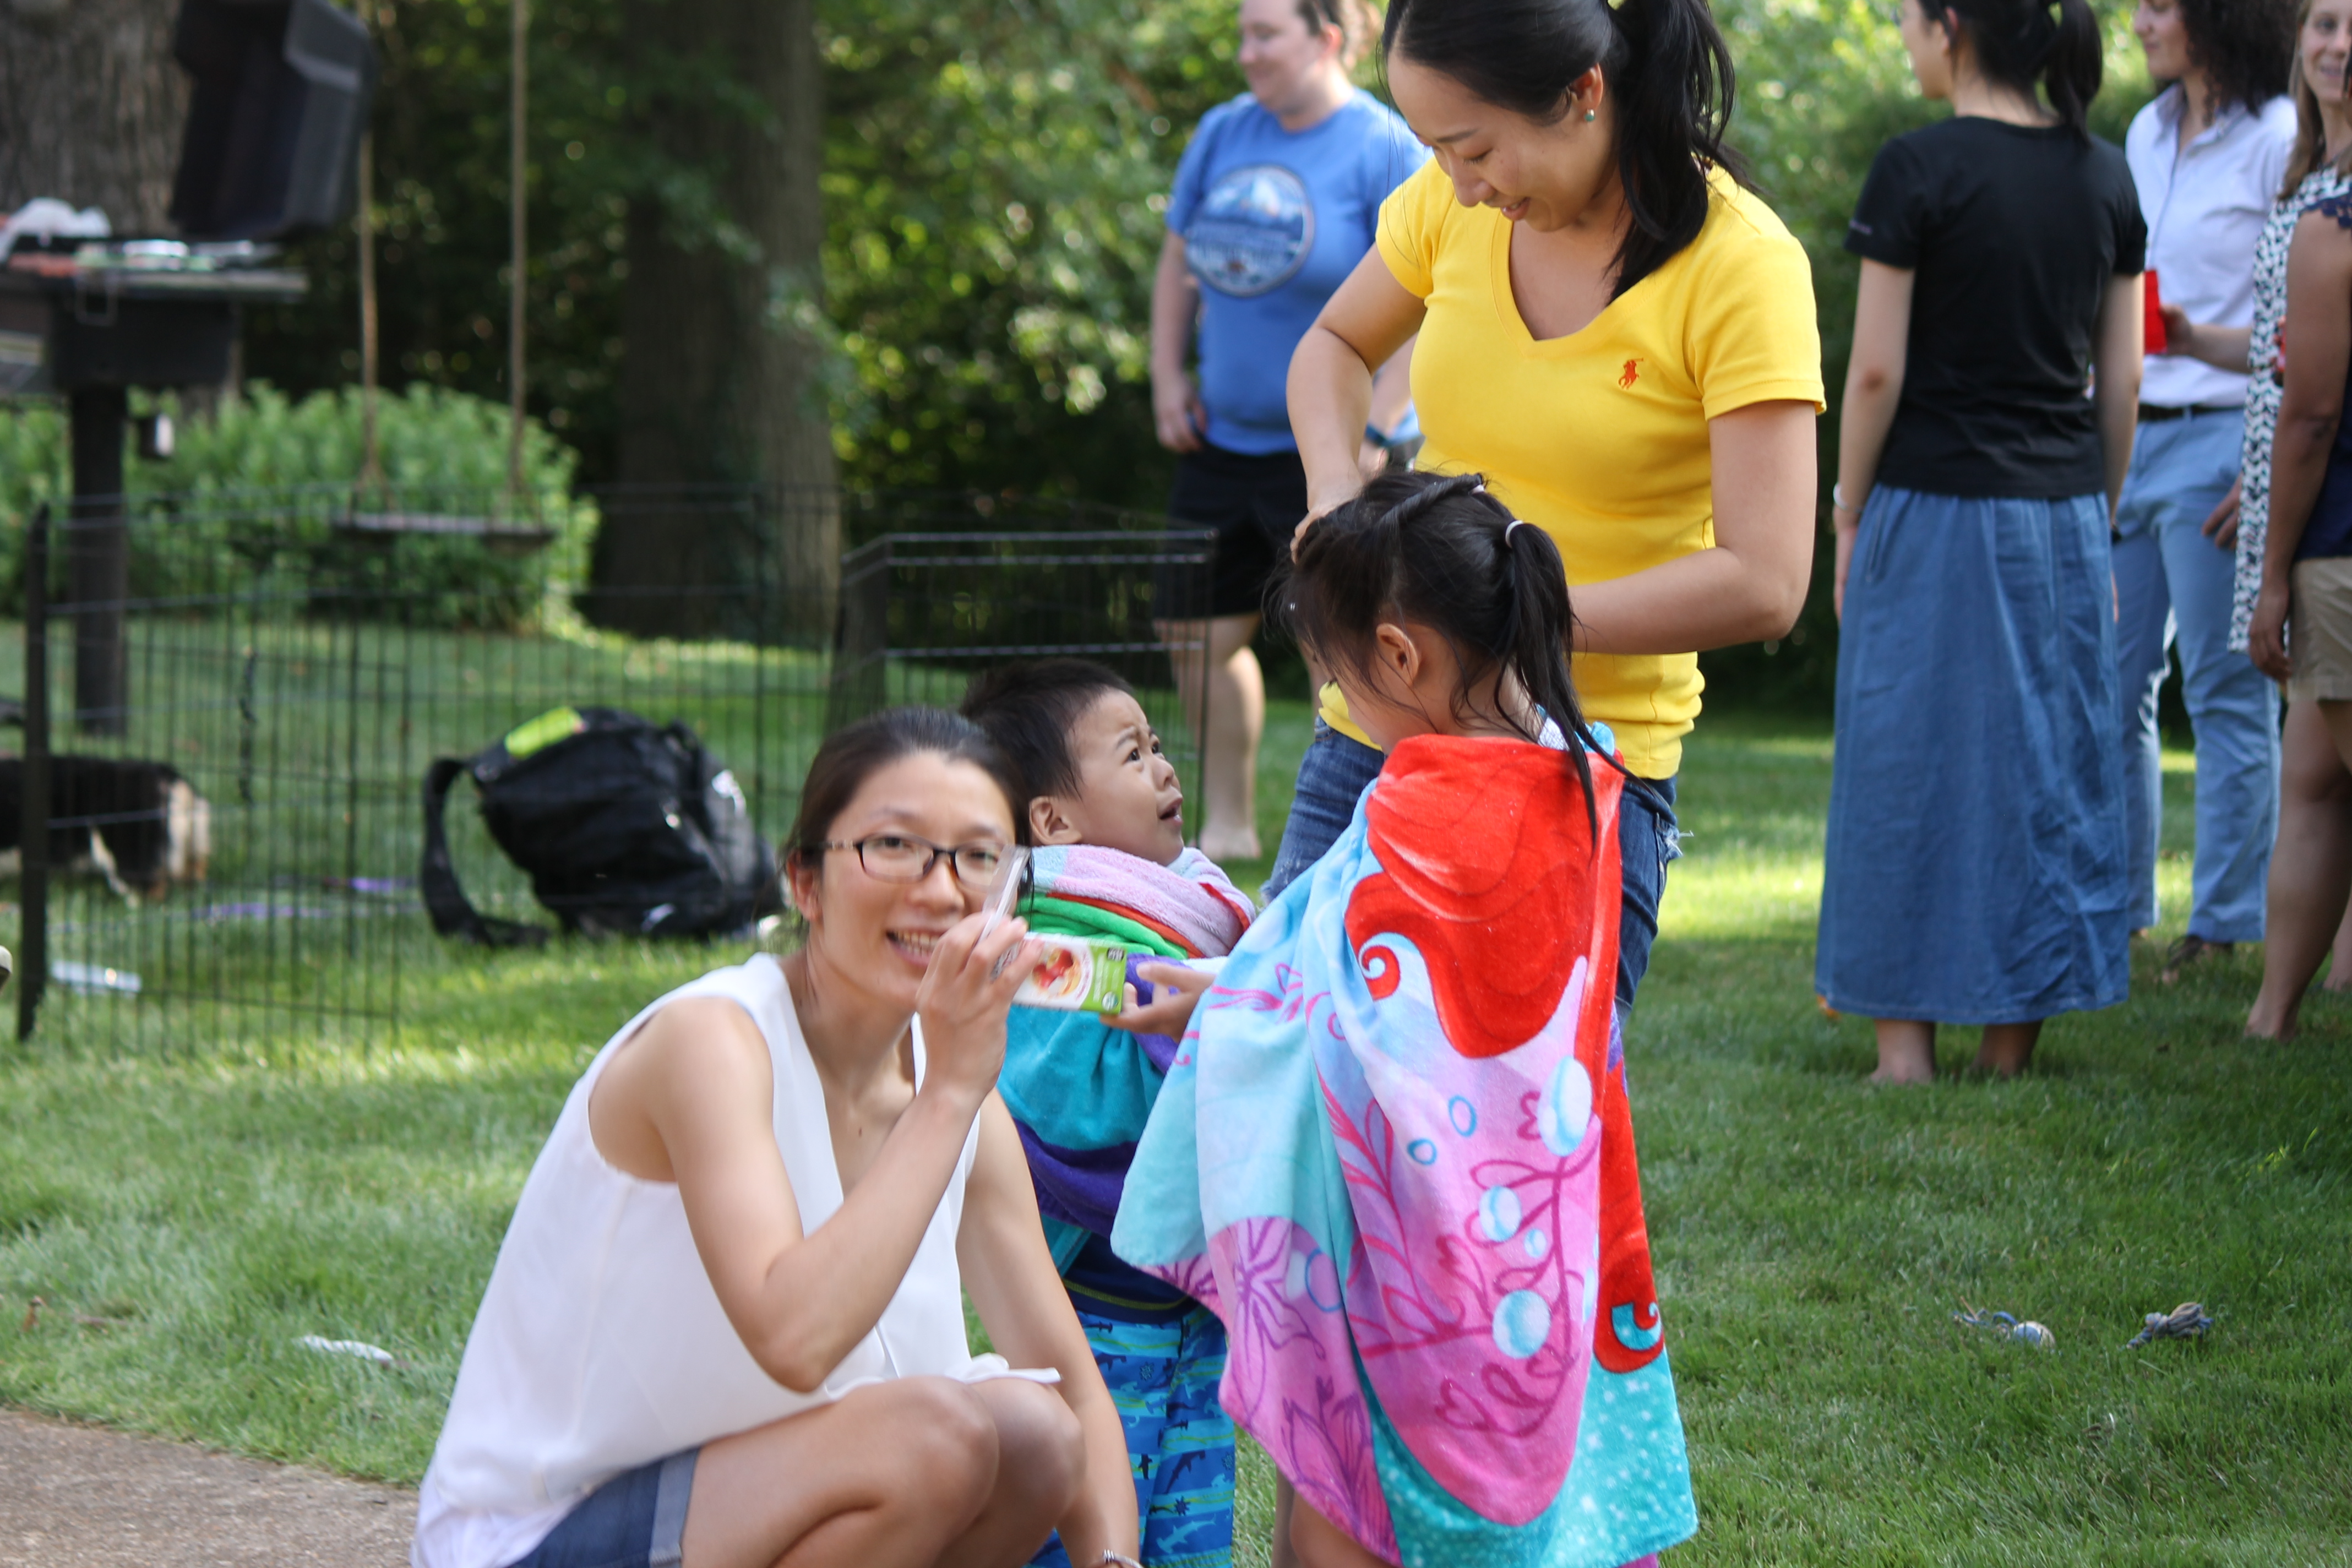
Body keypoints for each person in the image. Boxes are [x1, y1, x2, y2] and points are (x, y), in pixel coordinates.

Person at [1117, 471, 1694, 1568]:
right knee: (1509, 1491)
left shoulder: (1422, 807)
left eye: (1338, 679)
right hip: (1540, 1239)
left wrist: (1230, 1004)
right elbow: (1356, 980)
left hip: (1409, 1265)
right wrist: (1228, 984)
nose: (1341, 701)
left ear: (1398, 655)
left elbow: (1349, 1020)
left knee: (1347, 1500)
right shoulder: (1583, 778)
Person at [411, 708, 1142, 1568]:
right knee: (936, 1438)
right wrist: (947, 1095)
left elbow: (1074, 1391)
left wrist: (1114, 1564)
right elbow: (794, 1340)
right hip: (544, 1533)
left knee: (1034, 1436)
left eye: (979, 857)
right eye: (894, 846)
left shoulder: (955, 1096)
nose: (942, 891)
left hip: (755, 1502)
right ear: (805, 881)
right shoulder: (713, 1043)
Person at [1274, 0, 1824, 1018]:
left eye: (1476, 148)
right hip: (1383, 735)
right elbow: (1334, 347)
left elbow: (1767, 580)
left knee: (1523, 1099)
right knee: (1283, 1058)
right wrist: (1335, 496)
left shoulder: (1742, 266)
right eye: (1435, 150)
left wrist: (1509, 625)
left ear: (1583, 93)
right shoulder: (1452, 208)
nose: (1460, 184)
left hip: (1580, 763)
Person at [1814, 0, 2145, 1082]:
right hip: (2060, 514)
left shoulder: (1915, 169)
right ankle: (2010, 1049)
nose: (1904, 36)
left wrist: (1847, 510)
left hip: (1930, 505)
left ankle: (1903, 1054)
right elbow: (2122, 381)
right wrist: (2097, 520)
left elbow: (1875, 371)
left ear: (1950, 25)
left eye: (1907, 18)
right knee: (2045, 768)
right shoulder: (2105, 174)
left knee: (1900, 762)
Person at [959, 661, 1256, 1568]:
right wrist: (1214, 1023)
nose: (1165, 768)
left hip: (1198, 1305)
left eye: (1157, 746)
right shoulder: (1040, 937)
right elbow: (1071, 1100)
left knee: (1194, 1526)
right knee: (1087, 1520)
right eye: (1133, 755)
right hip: (1098, 1309)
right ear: (1053, 823)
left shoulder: (1190, 905)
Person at [1151, 0, 1426, 865]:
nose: (1248, 53)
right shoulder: (1223, 132)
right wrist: (1167, 378)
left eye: (1266, 34)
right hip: (1222, 439)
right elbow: (1177, 262)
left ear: (1328, 39)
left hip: (1336, 449)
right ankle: (1229, 822)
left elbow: (1429, 295)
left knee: (1334, 638)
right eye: (1243, 34)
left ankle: (1347, 835)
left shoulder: (1386, 146)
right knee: (1193, 630)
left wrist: (1378, 427)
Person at [2112, 0, 2297, 980]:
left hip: (2221, 437)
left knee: (2225, 690)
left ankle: (2225, 921)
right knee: (2113, 685)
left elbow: (2304, 325)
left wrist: (2261, 465)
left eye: (2158, 5)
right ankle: (2120, 909)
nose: (2140, 23)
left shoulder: (2278, 138)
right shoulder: (2144, 132)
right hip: (2129, 433)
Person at [2179, 0, 2352, 1036]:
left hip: (2330, 509)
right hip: (2305, 478)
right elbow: (2295, 369)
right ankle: (2280, 1007)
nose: (2338, 45)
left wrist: (2280, 539)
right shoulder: (2305, 176)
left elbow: (2318, 403)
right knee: (2314, 768)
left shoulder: (2338, 213)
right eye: (2324, 23)